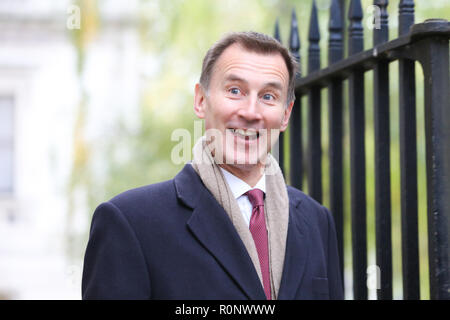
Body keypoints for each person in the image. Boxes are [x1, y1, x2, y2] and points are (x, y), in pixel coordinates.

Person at [81, 31, 344, 300]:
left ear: (285, 114)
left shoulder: (317, 221)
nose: (251, 112)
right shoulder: (130, 222)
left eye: (268, 96)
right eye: (234, 91)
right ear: (201, 100)